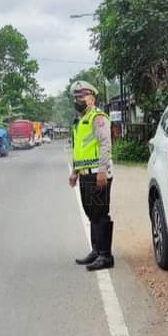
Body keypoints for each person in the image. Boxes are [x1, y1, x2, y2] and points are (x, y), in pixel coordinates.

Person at [68, 81, 115, 271]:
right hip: (85, 175)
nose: (78, 100)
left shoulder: (98, 118)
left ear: (92, 98)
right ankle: (96, 251)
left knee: (100, 214)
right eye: (76, 97)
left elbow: (105, 144)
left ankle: (105, 256)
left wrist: (102, 171)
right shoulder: (79, 121)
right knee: (90, 213)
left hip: (98, 174)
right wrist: (74, 172)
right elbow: (78, 149)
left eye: (82, 96)